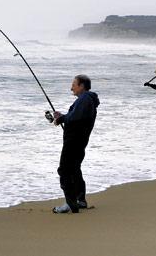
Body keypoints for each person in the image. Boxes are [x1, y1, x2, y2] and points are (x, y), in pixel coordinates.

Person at [52, 75, 100, 213]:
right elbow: (76, 117)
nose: (71, 87)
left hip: (74, 142)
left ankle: (70, 203)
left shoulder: (85, 99)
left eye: (74, 84)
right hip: (79, 142)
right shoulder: (86, 100)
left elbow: (75, 117)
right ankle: (80, 200)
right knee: (74, 169)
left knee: (64, 170)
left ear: (82, 86)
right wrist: (62, 117)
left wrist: (62, 119)